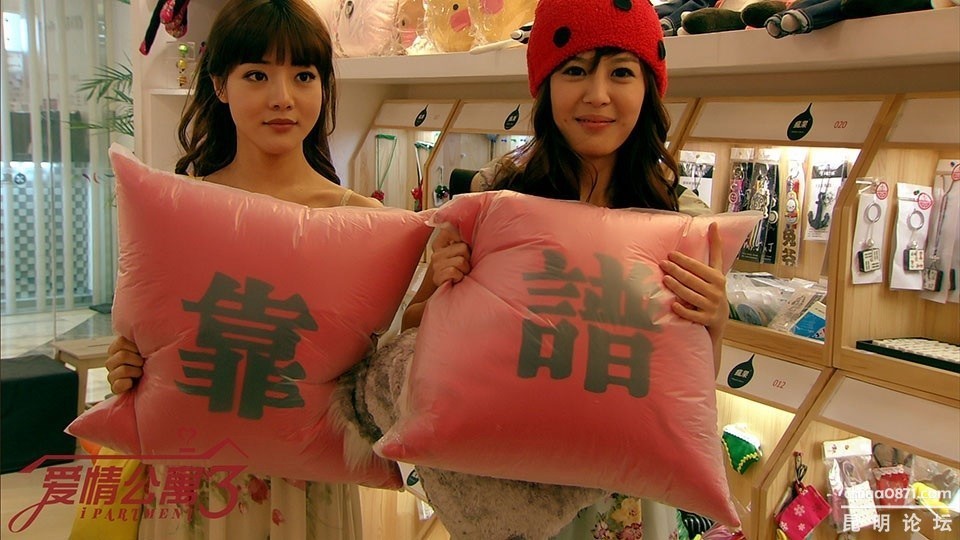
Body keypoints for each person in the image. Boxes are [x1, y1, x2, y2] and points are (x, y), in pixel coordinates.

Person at [400, 0, 726, 536]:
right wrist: (439, 284)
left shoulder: (680, 219)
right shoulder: (494, 199)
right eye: (574, 70)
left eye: (621, 72)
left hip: (623, 491)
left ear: (648, 87)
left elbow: (688, 383)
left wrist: (715, 318)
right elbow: (413, 336)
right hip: (508, 478)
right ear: (545, 83)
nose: (597, 95)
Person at [104, 0, 379, 538]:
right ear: (219, 85)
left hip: (307, 484)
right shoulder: (175, 210)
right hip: (194, 482)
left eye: (304, 76)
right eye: (257, 75)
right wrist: (128, 362)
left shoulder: (363, 224)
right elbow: (149, 334)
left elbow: (380, 366)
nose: (283, 97)